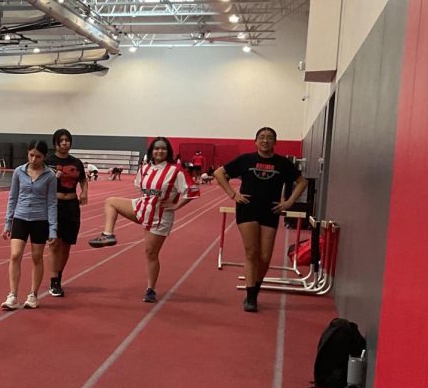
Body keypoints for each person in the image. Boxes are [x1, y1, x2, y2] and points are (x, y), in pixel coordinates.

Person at [87, 137, 192, 303]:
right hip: (142, 207)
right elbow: (142, 189)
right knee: (110, 202)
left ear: (168, 151)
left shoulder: (176, 170)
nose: (160, 151)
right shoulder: (145, 168)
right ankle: (108, 234)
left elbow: (191, 190)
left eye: (163, 148)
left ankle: (151, 289)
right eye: (156, 148)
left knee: (151, 253)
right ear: (151, 151)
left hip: (160, 216)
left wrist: (177, 206)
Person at [214, 127, 307, 312]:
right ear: (255, 141)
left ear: (275, 142)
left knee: (265, 256)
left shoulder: (282, 163)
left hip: (270, 211)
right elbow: (218, 173)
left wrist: (288, 202)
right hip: (247, 209)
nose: (265, 140)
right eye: (262, 137)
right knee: (251, 252)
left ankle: (255, 289)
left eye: (270, 138)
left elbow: (302, 182)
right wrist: (233, 195)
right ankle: (250, 297)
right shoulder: (246, 160)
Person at [2, 139, 57, 309]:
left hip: (40, 220)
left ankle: (33, 294)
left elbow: (52, 202)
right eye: (31, 155)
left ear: (44, 157)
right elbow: (13, 197)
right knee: (15, 255)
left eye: (38, 156)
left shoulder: (50, 176)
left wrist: (53, 229)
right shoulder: (19, 172)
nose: (34, 159)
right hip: (20, 218)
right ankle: (12, 295)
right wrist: (8, 223)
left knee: (36, 257)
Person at [45, 129, 88, 298]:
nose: (64, 143)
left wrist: (84, 192)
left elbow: (83, 180)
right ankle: (54, 280)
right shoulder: (48, 161)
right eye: (61, 140)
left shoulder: (76, 163)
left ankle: (59, 274)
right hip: (54, 205)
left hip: (71, 205)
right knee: (54, 243)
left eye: (67, 140)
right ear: (55, 142)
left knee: (66, 245)